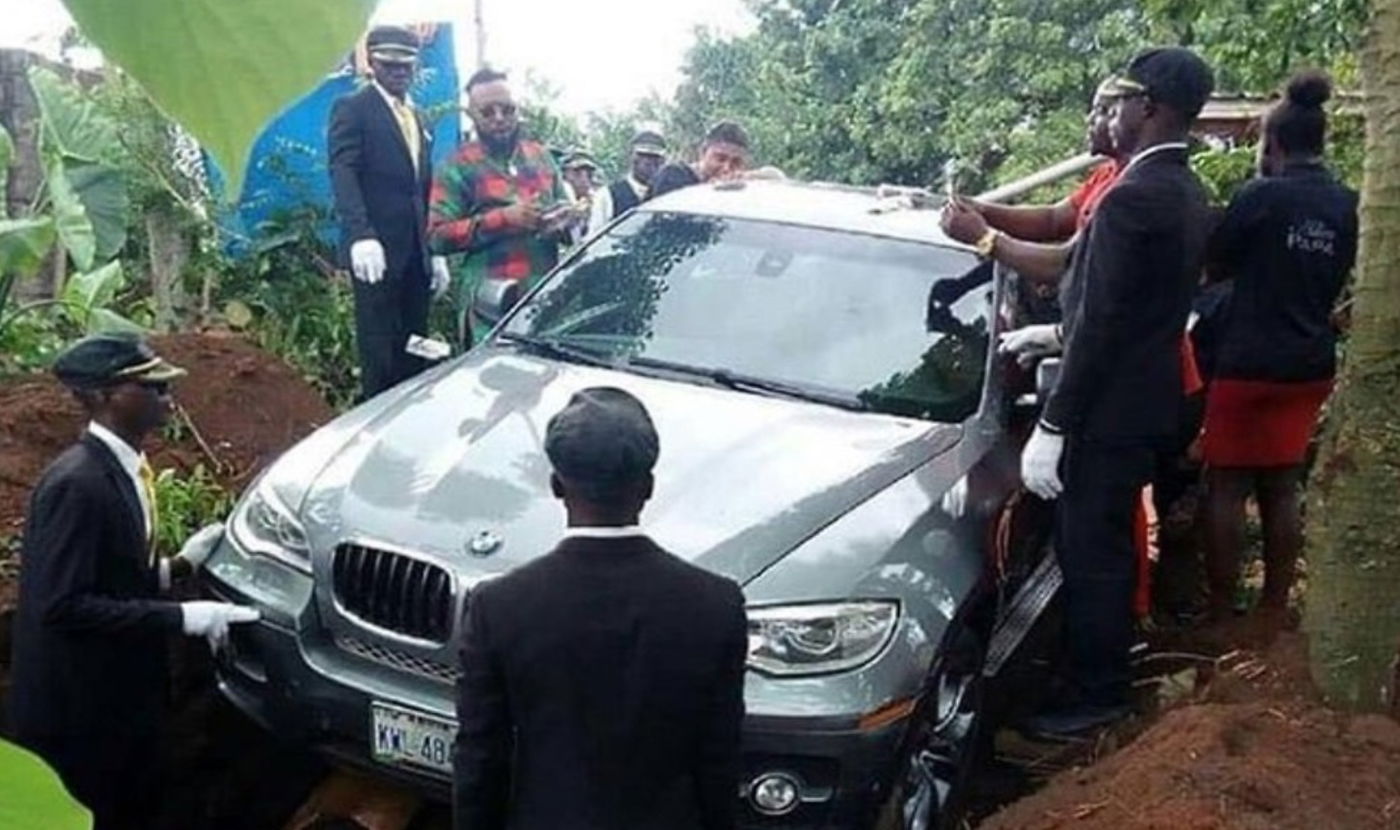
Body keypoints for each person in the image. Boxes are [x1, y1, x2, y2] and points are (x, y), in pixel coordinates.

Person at [1006, 47, 1215, 736]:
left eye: (1116, 103)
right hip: (1143, 400)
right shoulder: (1185, 190)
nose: (1108, 116)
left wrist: (1056, 423)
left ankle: (1097, 697)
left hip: (1109, 409)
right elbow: (1122, 310)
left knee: (1091, 552)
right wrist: (1053, 338)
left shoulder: (1132, 196)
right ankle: (1093, 675)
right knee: (1104, 549)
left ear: (1147, 108)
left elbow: (1099, 324)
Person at [453, 387, 748, 830]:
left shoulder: (500, 607)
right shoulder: (715, 605)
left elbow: (480, 759)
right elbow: (719, 761)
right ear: (647, 488)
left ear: (556, 486)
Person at [7, 334, 261, 828]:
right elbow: (62, 605)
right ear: (104, 397)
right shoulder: (77, 486)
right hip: (78, 714)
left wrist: (179, 567)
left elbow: (109, 575)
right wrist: (184, 616)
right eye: (152, 388)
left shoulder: (123, 469)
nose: (168, 398)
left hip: (118, 700)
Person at [1201, 71, 1358, 620]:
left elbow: (1214, 262)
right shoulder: (1347, 204)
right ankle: (1272, 610)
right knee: (1282, 483)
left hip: (1248, 361)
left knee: (1226, 483)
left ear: (1276, 144)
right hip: (1310, 362)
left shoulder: (1260, 196)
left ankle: (1222, 611)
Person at [328, 25, 451, 401]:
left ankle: (410, 410)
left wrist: (436, 246)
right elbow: (343, 171)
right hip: (376, 250)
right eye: (389, 64)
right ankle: (378, 423)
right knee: (379, 342)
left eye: (405, 66)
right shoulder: (354, 108)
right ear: (373, 64)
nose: (398, 72)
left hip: (416, 249)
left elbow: (423, 186)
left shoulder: (418, 117)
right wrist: (361, 234)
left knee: (415, 339)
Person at [428, 67, 570, 347]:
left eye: (507, 109)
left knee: (541, 386)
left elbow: (563, 206)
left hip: (542, 301)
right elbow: (436, 237)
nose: (499, 118)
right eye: (488, 111)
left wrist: (564, 222)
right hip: (489, 307)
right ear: (472, 115)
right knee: (489, 387)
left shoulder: (541, 157)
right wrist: (503, 219)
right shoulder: (457, 165)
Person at [941, 77, 1128, 287]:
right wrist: (982, 210)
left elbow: (1065, 265)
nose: (1090, 119)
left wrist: (983, 238)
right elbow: (1053, 219)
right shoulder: (1107, 172)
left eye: (1104, 111)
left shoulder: (1130, 188)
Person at [588, 129, 668, 234]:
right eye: (642, 155)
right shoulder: (608, 195)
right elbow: (595, 237)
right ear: (631, 157)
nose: (648, 162)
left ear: (662, 161)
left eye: (654, 157)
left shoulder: (667, 197)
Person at [647, 120, 750, 199]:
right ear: (702, 153)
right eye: (720, 159)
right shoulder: (672, 176)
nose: (726, 168)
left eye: (735, 163)